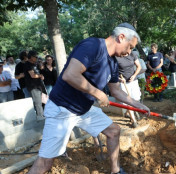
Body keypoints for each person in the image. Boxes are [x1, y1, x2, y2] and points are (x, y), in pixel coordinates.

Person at [28, 23, 150, 174]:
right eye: (130, 47)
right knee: (45, 163)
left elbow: (116, 90)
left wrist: (137, 104)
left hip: (83, 110)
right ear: (121, 37)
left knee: (113, 131)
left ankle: (116, 170)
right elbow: (70, 74)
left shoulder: (112, 62)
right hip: (62, 109)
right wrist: (98, 93)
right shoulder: (93, 46)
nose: (129, 52)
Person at [116, 52, 142, 128]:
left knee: (136, 99)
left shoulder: (133, 54)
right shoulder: (117, 57)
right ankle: (133, 120)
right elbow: (112, 71)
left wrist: (134, 76)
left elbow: (139, 66)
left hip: (133, 81)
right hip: (124, 83)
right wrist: (120, 79)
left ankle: (129, 112)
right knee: (128, 101)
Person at [24, 50, 45, 120]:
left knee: (41, 101)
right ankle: (40, 116)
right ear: (31, 57)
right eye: (35, 56)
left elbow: (41, 69)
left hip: (39, 85)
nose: (36, 58)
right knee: (38, 102)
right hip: (33, 86)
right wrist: (40, 76)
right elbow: (32, 75)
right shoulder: (27, 64)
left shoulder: (35, 64)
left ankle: (41, 114)